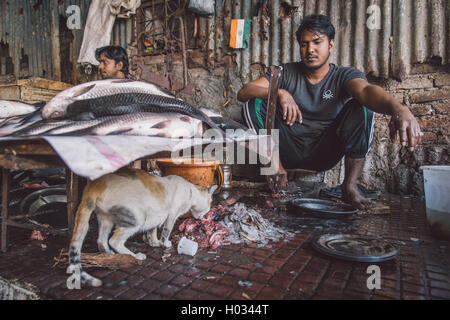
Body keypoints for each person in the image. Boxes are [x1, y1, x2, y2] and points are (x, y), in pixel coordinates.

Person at [237, 14, 422, 210]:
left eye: (317, 42)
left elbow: (366, 91)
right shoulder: (286, 72)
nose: (310, 50)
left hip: (324, 152)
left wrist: (399, 109)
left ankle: (350, 186)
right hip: (285, 150)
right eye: (304, 44)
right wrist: (278, 92)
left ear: (331, 45)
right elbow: (244, 92)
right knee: (252, 103)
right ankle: (277, 172)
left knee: (362, 107)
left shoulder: (343, 75)